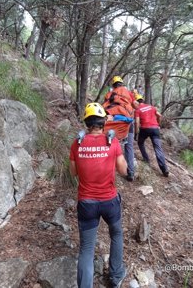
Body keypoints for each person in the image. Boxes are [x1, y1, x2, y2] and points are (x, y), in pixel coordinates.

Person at [69, 102, 127, 288]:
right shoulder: (113, 142)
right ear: (103, 122)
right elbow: (123, 170)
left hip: (86, 203)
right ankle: (116, 276)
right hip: (109, 201)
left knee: (86, 249)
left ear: (87, 123)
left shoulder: (76, 144)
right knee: (116, 233)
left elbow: (73, 173)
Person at [103, 76, 138, 182]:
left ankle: (107, 170)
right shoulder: (128, 93)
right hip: (128, 121)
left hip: (114, 120)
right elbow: (136, 105)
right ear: (121, 84)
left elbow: (105, 106)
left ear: (113, 85)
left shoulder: (110, 93)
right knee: (129, 146)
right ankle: (130, 172)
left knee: (109, 143)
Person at [134, 94, 169, 177]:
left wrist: (136, 133)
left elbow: (137, 122)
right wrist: (158, 124)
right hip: (155, 129)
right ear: (142, 100)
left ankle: (146, 159)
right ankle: (164, 169)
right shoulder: (151, 107)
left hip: (145, 129)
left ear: (136, 102)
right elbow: (159, 115)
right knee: (158, 148)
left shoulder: (138, 110)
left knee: (140, 142)